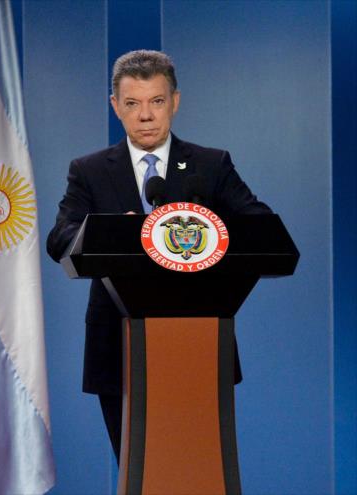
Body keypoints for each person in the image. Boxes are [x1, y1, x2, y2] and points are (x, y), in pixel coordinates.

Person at [46, 50, 271, 462]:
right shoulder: (90, 170)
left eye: (156, 101)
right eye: (132, 103)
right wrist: (115, 232)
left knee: (198, 467)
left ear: (175, 102)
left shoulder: (211, 164)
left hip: (200, 343)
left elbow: (260, 227)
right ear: (115, 106)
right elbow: (60, 239)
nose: (145, 115)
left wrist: (203, 227)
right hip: (118, 344)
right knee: (138, 468)